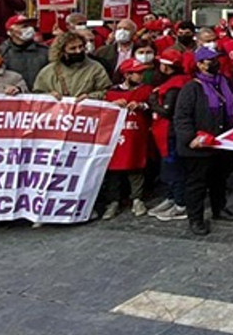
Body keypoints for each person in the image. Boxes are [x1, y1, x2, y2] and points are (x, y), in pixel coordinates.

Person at [173, 46, 233, 236]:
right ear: (200, 65)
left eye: (216, 59)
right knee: (197, 184)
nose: (215, 63)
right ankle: (195, 218)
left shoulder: (223, 82)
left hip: (220, 143)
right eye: (210, 60)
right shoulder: (191, 88)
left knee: (219, 180)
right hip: (198, 146)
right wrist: (190, 138)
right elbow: (182, 117)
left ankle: (219, 209)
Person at [100, 58, 153, 219]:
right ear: (127, 75)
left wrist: (142, 106)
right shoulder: (111, 92)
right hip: (116, 138)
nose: (141, 76)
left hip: (136, 137)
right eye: (138, 73)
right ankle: (113, 202)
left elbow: (153, 106)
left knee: (136, 169)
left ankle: (137, 199)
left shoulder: (146, 90)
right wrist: (112, 105)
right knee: (113, 172)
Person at [148, 49, 191, 222]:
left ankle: (180, 204)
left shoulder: (174, 86)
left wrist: (151, 101)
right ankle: (171, 197)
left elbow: (168, 111)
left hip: (170, 133)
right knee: (169, 168)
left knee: (174, 168)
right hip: (165, 132)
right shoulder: (175, 81)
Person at [32, 31, 112, 99]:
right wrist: (49, 96)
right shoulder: (48, 71)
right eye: (73, 48)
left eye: (81, 47)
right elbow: (37, 95)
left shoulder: (96, 68)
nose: (78, 51)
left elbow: (106, 92)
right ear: (62, 51)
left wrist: (89, 97)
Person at [0, 14, 50, 88]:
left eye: (31, 26)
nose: (30, 29)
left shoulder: (44, 51)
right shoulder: (2, 52)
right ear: (11, 31)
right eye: (24, 26)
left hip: (39, 95)